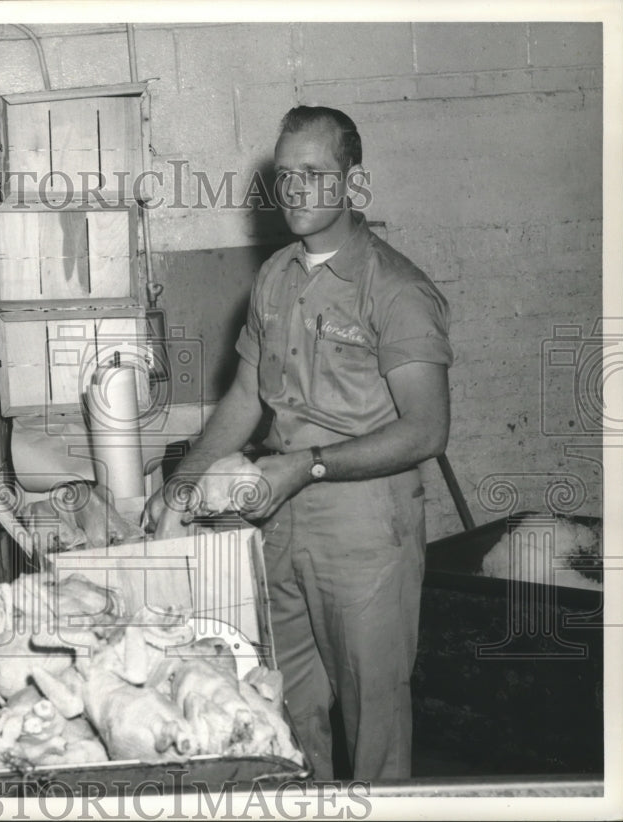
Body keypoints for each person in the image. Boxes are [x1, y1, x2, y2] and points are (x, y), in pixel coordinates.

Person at [143, 105, 453, 780]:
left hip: (366, 527)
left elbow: (427, 429)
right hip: (279, 520)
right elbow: (247, 398)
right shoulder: (276, 278)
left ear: (353, 184)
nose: (295, 191)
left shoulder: (396, 289)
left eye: (315, 174)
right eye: (285, 176)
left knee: (374, 720)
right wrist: (183, 481)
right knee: (284, 708)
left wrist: (307, 466)